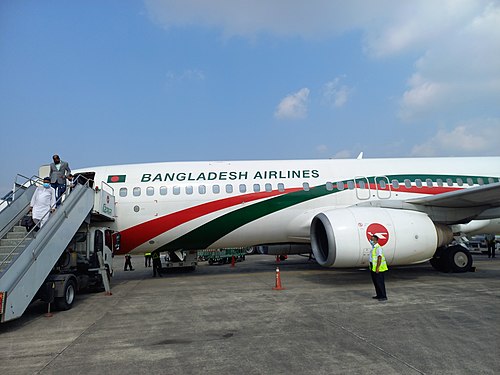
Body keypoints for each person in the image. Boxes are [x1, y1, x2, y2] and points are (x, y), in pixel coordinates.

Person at [369, 235, 388, 301]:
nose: (371, 241)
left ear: (376, 240)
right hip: (373, 267)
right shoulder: (373, 248)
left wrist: (377, 268)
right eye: (371, 239)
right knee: (376, 282)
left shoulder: (378, 248)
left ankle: (383, 296)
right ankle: (379, 295)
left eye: (372, 240)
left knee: (380, 282)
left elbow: (379, 258)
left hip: (378, 268)